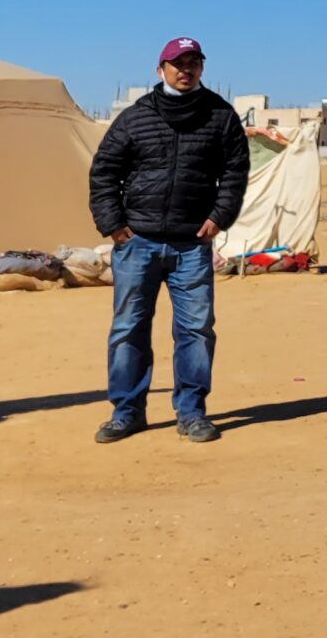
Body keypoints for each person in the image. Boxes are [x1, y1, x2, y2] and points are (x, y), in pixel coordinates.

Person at [86, 36, 248, 445]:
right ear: (160, 70)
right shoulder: (135, 118)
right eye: (177, 63)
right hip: (136, 242)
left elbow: (234, 172)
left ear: (202, 69)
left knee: (195, 330)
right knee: (128, 329)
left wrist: (219, 216)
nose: (185, 70)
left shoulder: (220, 116)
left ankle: (192, 413)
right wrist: (112, 222)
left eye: (193, 63)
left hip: (191, 244)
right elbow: (104, 170)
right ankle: (126, 412)